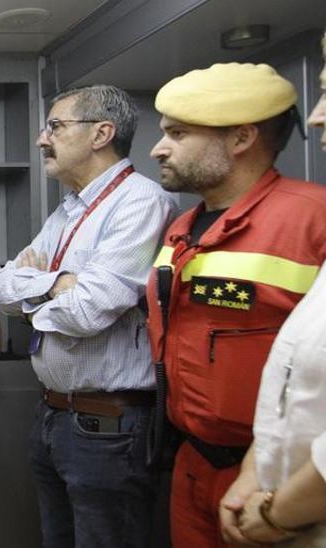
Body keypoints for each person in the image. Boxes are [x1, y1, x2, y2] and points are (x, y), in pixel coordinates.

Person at [147, 62, 326, 547]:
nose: (158, 148)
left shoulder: (312, 220)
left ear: (242, 138)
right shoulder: (183, 227)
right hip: (191, 462)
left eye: (177, 133)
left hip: (278, 478)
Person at [0, 84, 176, 548]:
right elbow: (0, 287)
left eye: (55, 126)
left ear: (101, 133)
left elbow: (87, 311)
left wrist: (39, 291)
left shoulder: (140, 201)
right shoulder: (68, 210)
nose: (41, 139)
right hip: (55, 414)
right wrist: (58, 283)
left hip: (108, 428)